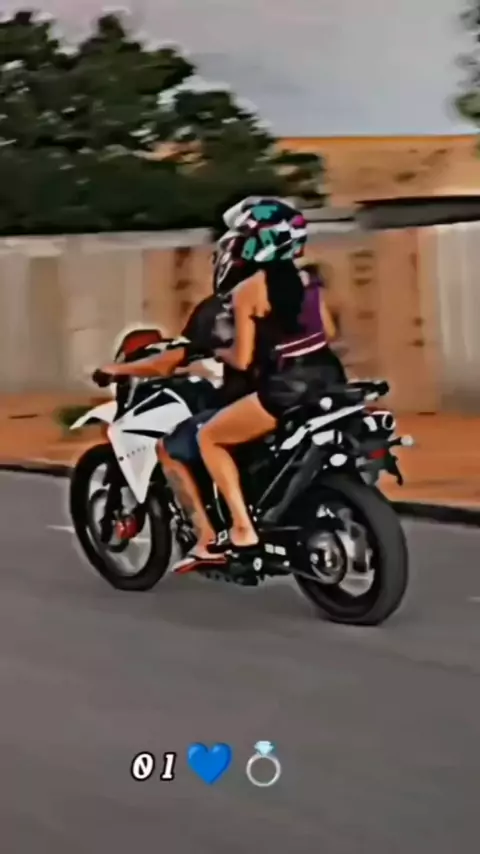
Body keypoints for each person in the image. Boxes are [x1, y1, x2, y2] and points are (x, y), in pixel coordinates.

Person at [195, 197, 347, 560]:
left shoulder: (248, 291)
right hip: (329, 377)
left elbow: (243, 360)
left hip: (285, 388)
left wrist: (217, 352)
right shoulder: (309, 280)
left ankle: (242, 528)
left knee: (209, 438)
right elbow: (328, 332)